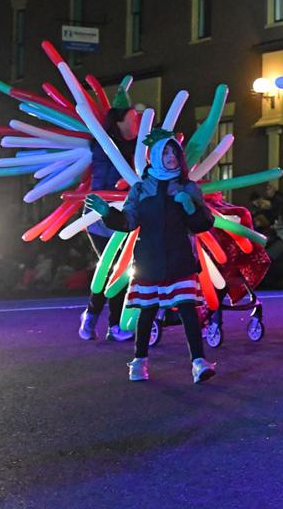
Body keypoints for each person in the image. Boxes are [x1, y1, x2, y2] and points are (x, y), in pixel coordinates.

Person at [84, 131, 216, 384]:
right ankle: (139, 362)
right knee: (147, 311)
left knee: (188, 309)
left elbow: (204, 224)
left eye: (174, 153)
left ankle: (199, 362)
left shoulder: (188, 187)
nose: (171, 158)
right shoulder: (141, 188)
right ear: (155, 156)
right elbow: (128, 221)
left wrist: (190, 207)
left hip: (180, 257)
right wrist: (107, 213)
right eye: (165, 153)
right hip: (149, 259)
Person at [78, 94, 140, 343]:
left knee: (124, 270)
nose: (137, 120)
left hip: (128, 218)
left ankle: (112, 324)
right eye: (132, 117)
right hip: (100, 219)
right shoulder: (104, 147)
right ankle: (95, 316)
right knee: (111, 267)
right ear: (118, 122)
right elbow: (101, 184)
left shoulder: (140, 146)